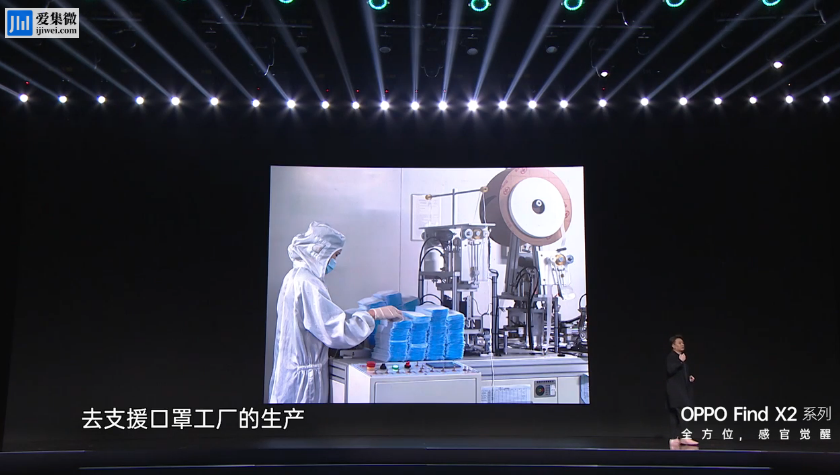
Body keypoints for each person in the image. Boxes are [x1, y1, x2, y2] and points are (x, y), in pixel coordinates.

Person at [268, 222, 404, 404]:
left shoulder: (294, 276)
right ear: (320, 252)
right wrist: (373, 314)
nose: (334, 262)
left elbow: (317, 321)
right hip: (305, 383)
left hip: (289, 374)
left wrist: (352, 315)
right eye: (335, 255)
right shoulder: (309, 283)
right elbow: (336, 332)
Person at [666, 334, 698, 447]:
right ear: (673, 346)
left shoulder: (681, 358)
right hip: (675, 391)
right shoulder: (672, 357)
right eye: (679, 343)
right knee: (683, 412)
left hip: (680, 389)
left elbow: (680, 373)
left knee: (675, 414)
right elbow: (670, 370)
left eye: (683, 343)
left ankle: (674, 437)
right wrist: (680, 362)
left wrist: (689, 378)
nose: (682, 344)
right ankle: (685, 436)